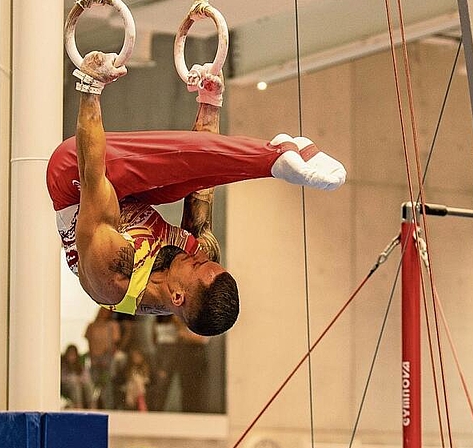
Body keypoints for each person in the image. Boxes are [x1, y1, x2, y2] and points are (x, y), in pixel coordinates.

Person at [47, 51, 346, 336]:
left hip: (77, 178)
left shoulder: (113, 273)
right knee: (186, 179)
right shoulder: (201, 255)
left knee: (125, 166)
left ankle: (272, 159)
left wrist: (90, 86)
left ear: (177, 296)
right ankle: (274, 160)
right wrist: (210, 101)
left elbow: (93, 175)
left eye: (199, 265)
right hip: (132, 194)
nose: (199, 256)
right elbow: (201, 179)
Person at [84, 307, 121, 409]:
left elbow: (114, 344)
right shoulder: (91, 326)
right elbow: (89, 342)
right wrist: (93, 358)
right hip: (95, 360)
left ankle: (108, 407)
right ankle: (92, 406)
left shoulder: (112, 326)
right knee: (93, 385)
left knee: (107, 387)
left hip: (107, 360)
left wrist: (108, 357)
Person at [60, 344, 93, 409]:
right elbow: (62, 378)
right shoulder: (63, 366)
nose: (71, 357)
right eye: (70, 354)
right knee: (76, 386)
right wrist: (74, 379)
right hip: (67, 387)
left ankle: (91, 406)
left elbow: (86, 377)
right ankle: (78, 407)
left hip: (82, 387)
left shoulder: (80, 367)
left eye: (73, 355)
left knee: (88, 385)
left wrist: (80, 380)